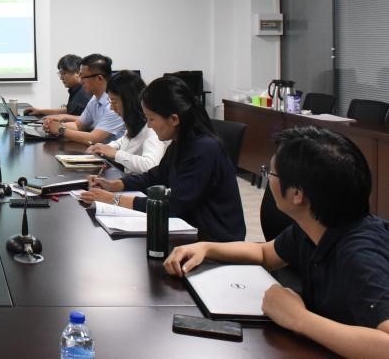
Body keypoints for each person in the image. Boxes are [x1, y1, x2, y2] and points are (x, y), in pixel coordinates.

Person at [164, 126, 389, 358]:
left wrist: (298, 318)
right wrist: (206, 247)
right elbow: (264, 254)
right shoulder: (316, 226)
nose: (268, 178)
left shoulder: (361, 255)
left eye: (271, 173)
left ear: (297, 194)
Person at [81, 75, 244, 242]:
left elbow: (174, 205)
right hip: (190, 226)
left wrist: (114, 200)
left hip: (214, 239)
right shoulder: (181, 142)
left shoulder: (204, 149)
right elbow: (156, 175)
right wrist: (116, 184)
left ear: (174, 119)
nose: (149, 125)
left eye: (151, 119)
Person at [86, 70, 168, 174]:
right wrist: (106, 147)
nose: (111, 108)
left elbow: (150, 165)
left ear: (129, 101)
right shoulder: (134, 121)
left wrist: (115, 154)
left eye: (114, 102)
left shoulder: (151, 127)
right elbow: (125, 140)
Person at [40, 53, 125, 145]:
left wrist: (60, 129)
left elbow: (94, 138)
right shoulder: (95, 99)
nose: (80, 81)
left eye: (83, 77)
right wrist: (52, 126)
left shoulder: (114, 105)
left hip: (113, 153)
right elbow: (78, 125)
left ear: (99, 78)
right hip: (98, 150)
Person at [23, 54, 90, 117]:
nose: (61, 78)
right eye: (60, 73)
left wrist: (60, 121)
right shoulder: (75, 89)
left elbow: (83, 121)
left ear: (77, 72)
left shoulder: (84, 93)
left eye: (63, 73)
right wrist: (40, 111)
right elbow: (68, 110)